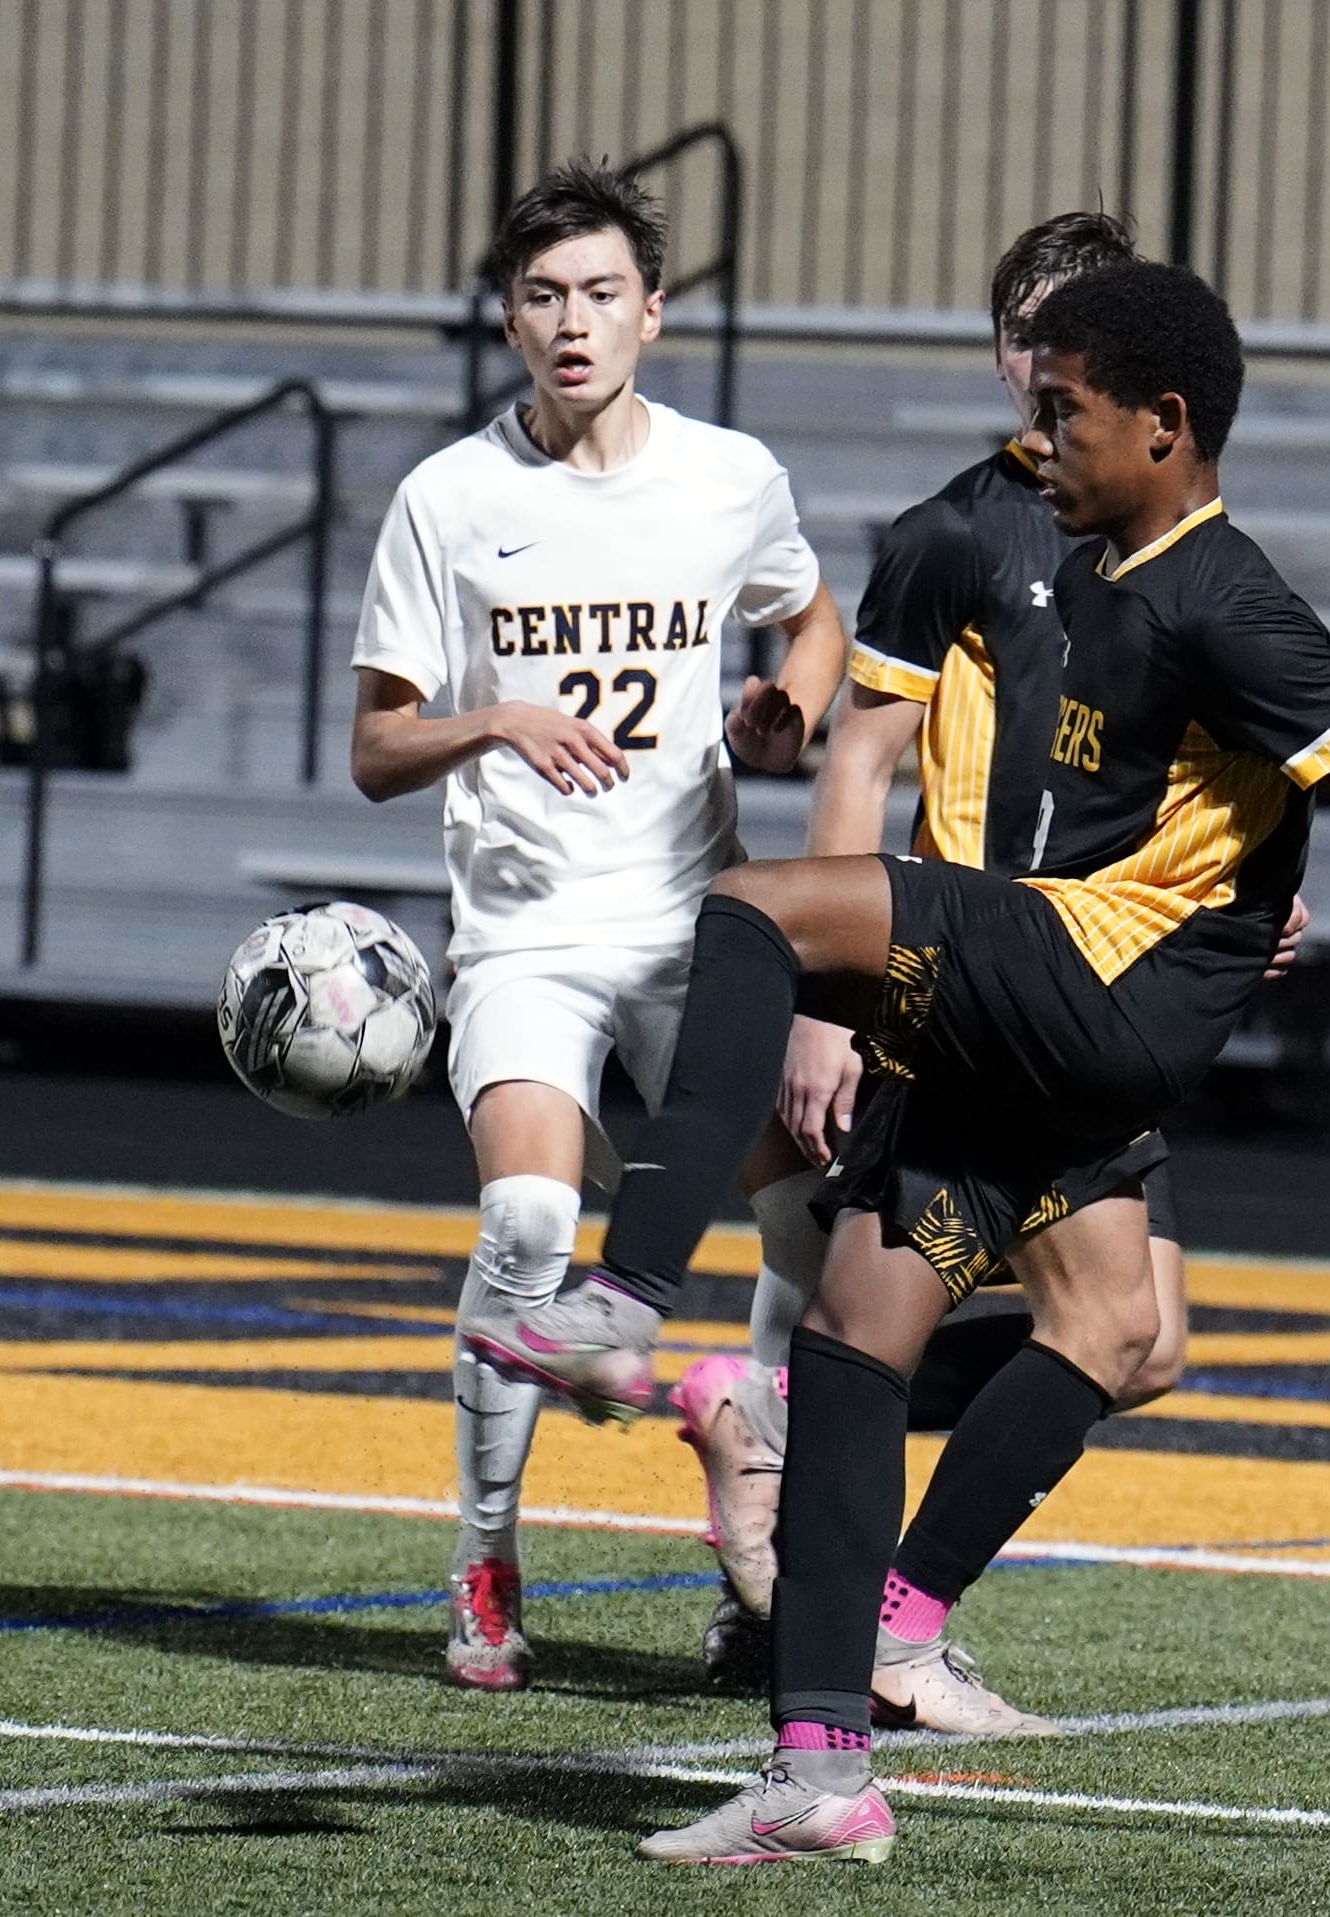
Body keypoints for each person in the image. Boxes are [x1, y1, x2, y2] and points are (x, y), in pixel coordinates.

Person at [471, 260, 1330, 1864]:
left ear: (1164, 426)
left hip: (1094, 994)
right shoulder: (1057, 563)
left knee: (751, 911)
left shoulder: (1228, 599)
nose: (1038, 437)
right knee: (876, 1342)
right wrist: (1238, 889)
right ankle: (821, 1775)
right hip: (1045, 1023)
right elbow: (1162, 817)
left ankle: (621, 1294)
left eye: (1063, 412)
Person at [667, 213, 1305, 1731]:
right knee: (1025, 1323)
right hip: (963, 978)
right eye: (1025, 331)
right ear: (1001, 347)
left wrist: (1236, 898)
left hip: (1088, 978)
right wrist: (835, 1002)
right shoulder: (963, 528)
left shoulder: (1140, 533)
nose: (1041, 364)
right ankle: (860, 1642)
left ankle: (815, 1549)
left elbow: (1207, 751)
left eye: (1069, 339)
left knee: (1133, 1341)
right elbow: (863, 760)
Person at [349, 156, 845, 1692]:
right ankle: (485, 1560)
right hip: (525, 934)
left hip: (702, 928)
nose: (575, 322)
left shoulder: (725, 476)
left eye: (602, 294)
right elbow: (375, 749)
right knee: (525, 1230)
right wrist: (493, 716)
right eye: (545, 296)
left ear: (653, 312)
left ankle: (755, 1546)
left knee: (813, 1227)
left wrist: (793, 707)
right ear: (509, 320)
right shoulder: (450, 497)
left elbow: (810, 611)